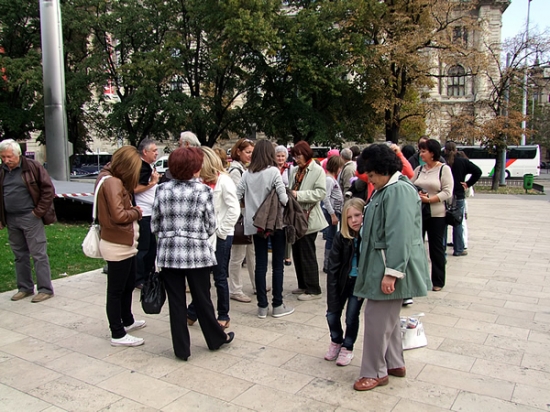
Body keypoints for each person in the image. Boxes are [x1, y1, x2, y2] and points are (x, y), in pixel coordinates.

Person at [353, 144, 430, 391]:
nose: (370, 179)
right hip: (383, 264)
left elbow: (400, 235)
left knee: (376, 319)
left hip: (388, 267)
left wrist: (392, 273)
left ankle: (374, 371)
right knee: (389, 319)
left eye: (371, 174)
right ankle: (394, 362)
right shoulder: (387, 188)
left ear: (383, 169)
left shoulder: (397, 191)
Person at [151, 147, 234, 360]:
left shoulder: (161, 190)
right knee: (202, 298)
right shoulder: (203, 191)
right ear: (195, 168)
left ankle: (181, 350)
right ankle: (215, 339)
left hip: (169, 253)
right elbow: (211, 225)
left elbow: (155, 224)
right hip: (197, 253)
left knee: (176, 302)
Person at [95, 146, 146, 346]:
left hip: (124, 244)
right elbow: (118, 215)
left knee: (127, 284)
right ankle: (117, 333)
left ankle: (127, 320)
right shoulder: (113, 182)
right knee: (116, 290)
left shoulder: (112, 179)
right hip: (117, 244)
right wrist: (136, 212)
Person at [237, 140, 293, 318]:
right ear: (270, 154)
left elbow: (237, 195)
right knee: (277, 265)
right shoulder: (274, 171)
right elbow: (284, 199)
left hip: (255, 224)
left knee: (260, 265)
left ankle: (262, 306)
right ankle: (277, 305)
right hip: (275, 223)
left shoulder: (247, 174)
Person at [187, 147, 240, 329]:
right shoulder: (198, 180)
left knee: (219, 277)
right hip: (203, 236)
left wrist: (221, 231)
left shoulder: (224, 180)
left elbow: (234, 209)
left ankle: (223, 314)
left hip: (221, 236)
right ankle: (192, 312)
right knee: (202, 277)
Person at [0, 139, 56, 303]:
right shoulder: (2, 171)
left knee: (38, 254)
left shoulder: (32, 167)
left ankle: (45, 289)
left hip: (30, 217)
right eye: (3, 157)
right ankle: (24, 287)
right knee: (19, 255)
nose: (6, 160)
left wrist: (37, 212)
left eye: (9, 157)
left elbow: (48, 190)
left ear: (18, 154)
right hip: (11, 218)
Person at [325, 198, 365, 367]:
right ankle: (336, 340)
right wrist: (332, 289)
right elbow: (333, 267)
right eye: (349, 217)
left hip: (358, 283)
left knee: (351, 316)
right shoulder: (340, 237)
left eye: (357, 215)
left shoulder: (367, 237)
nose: (354, 220)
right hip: (342, 280)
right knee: (332, 314)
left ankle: (348, 346)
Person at [410, 139, 453, 291]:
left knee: (436, 248)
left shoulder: (443, 169)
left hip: (436, 214)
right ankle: (418, 279)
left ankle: (438, 281)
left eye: (424, 151)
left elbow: (447, 192)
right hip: (419, 213)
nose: (421, 154)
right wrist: (417, 194)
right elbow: (410, 185)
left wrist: (429, 199)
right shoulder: (419, 169)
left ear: (432, 153)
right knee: (416, 246)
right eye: (420, 151)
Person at [289, 141, 328, 301]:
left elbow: (320, 193)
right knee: (297, 253)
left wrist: (298, 195)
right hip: (295, 217)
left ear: (306, 154)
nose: (296, 159)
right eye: (294, 156)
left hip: (308, 217)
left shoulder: (317, 170)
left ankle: (314, 289)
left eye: (298, 156)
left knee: (307, 254)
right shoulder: (295, 170)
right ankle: (303, 285)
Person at [228, 138, 256, 303]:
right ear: (238, 152)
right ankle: (235, 289)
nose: (250, 155)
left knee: (251, 253)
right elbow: (238, 195)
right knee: (238, 255)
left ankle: (256, 283)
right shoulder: (235, 171)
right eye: (247, 152)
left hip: (247, 216)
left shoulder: (243, 168)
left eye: (252, 152)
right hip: (240, 217)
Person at [443, 142, 481, 257]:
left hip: (444, 194)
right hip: (458, 194)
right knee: (457, 222)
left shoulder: (443, 161)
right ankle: (459, 248)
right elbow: (478, 171)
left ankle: (442, 249)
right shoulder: (462, 161)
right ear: (456, 149)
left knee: (442, 222)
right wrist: (468, 183)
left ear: (445, 150)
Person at [134, 139, 160, 289]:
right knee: (143, 248)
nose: (157, 153)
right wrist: (153, 183)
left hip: (151, 213)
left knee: (151, 248)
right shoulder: (141, 167)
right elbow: (135, 188)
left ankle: (148, 274)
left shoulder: (149, 166)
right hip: (143, 213)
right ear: (145, 152)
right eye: (154, 150)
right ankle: (139, 278)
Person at [322, 155, 344, 272]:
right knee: (331, 237)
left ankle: (329, 262)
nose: (340, 170)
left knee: (332, 236)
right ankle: (328, 264)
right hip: (332, 211)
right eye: (339, 167)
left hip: (335, 211)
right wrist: (332, 214)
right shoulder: (329, 180)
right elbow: (325, 197)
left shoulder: (331, 179)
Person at [275, 145, 293, 266]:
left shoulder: (290, 169)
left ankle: (287, 255)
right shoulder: (272, 169)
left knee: (288, 227)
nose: (280, 158)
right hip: (274, 202)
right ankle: (277, 252)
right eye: (278, 156)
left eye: (283, 156)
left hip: (287, 201)